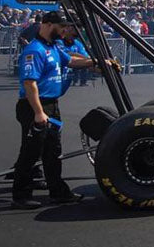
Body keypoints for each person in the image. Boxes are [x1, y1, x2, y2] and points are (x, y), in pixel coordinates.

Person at [11, 12, 100, 209]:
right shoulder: (34, 50)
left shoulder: (52, 48)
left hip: (51, 105)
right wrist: (38, 112)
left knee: (53, 151)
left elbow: (71, 61)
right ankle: (21, 195)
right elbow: (29, 83)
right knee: (31, 151)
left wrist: (98, 62)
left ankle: (58, 192)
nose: (63, 30)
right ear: (47, 24)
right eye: (61, 26)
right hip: (34, 106)